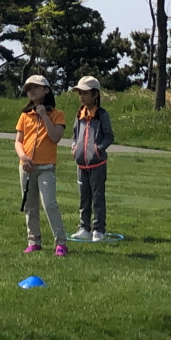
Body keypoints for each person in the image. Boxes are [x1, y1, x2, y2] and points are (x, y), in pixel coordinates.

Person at [16, 75, 69, 257]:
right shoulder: (25, 115)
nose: (31, 91)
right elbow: (18, 141)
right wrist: (23, 157)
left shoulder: (57, 114)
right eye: (28, 88)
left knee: (49, 204)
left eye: (36, 87)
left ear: (46, 90)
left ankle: (60, 243)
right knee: (30, 206)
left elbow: (55, 137)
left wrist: (44, 116)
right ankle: (34, 241)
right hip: (27, 167)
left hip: (46, 167)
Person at [67, 76, 115, 242]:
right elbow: (75, 134)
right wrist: (75, 148)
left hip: (97, 163)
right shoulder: (79, 114)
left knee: (98, 197)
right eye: (80, 93)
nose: (82, 96)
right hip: (81, 164)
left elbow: (109, 136)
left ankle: (99, 230)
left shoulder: (101, 115)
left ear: (95, 94)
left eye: (85, 93)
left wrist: (98, 149)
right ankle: (84, 228)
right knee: (84, 197)